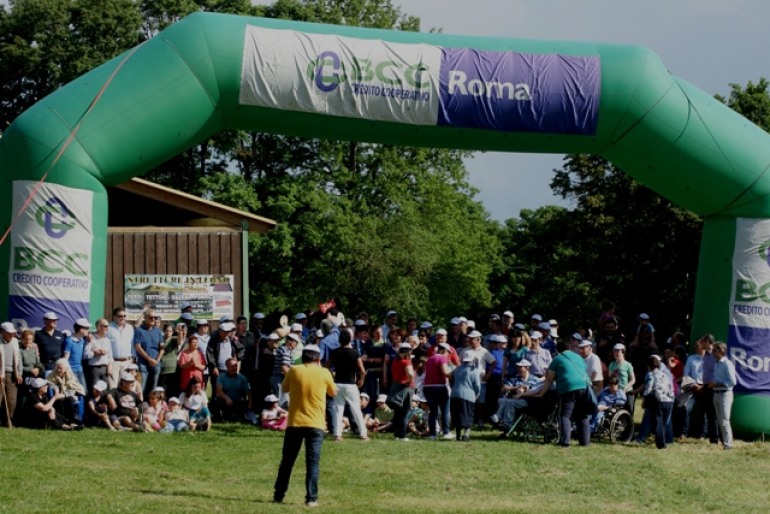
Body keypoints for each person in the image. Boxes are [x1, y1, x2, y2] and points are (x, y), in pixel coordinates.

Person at [273, 344, 337, 508]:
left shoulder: (294, 370)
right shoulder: (324, 372)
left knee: (287, 461)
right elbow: (333, 393)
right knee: (312, 463)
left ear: (303, 356)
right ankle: (311, 498)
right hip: (316, 424)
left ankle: (279, 495)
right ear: (318, 358)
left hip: (295, 422)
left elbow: (285, 388)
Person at [533, 339, 593, 447]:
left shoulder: (557, 359)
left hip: (568, 388)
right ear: (569, 348)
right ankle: (585, 442)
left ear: (557, 349)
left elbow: (549, 379)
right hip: (584, 387)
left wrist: (542, 393)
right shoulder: (578, 357)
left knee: (564, 416)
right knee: (582, 415)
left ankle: (564, 441)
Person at [329, 329, 368, 441]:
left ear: (339, 340)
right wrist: (361, 380)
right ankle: (363, 434)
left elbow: (326, 366)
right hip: (350, 384)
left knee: (338, 410)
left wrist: (332, 376)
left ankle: (337, 435)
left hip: (337, 383)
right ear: (350, 339)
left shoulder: (334, 352)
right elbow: (362, 370)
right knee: (356, 409)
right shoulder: (354, 352)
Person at [492, 358, 542, 435]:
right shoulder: (515, 379)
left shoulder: (535, 379)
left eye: (520, 367)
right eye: (518, 367)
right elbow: (504, 388)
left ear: (527, 368)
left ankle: (505, 423)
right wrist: (516, 387)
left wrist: (525, 390)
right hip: (516, 399)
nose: (518, 369)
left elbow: (537, 390)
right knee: (502, 400)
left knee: (509, 402)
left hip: (528, 401)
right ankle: (501, 421)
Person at [640, 355, 674, 449]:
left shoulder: (651, 374)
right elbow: (670, 388)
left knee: (658, 423)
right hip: (668, 400)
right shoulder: (665, 374)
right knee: (663, 423)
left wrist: (644, 399)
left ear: (649, 366)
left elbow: (648, 388)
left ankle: (661, 445)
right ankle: (664, 441)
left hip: (658, 401)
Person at [423, 342, 453, 440]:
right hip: (439, 387)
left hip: (427, 388)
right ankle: (446, 432)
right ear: (444, 350)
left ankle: (432, 434)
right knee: (445, 410)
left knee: (433, 412)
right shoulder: (442, 358)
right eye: (448, 352)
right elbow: (445, 372)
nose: (448, 355)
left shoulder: (430, 359)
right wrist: (453, 374)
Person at [709, 342, 736, 450]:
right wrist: (713, 384)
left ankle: (728, 446)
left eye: (715, 350)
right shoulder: (716, 364)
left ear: (722, 351)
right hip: (716, 393)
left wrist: (718, 384)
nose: (712, 353)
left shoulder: (727, 364)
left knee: (724, 421)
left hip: (725, 394)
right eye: (712, 351)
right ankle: (726, 443)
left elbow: (733, 381)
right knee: (720, 421)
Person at [450, 351, 481, 441]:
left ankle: (458, 435)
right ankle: (466, 435)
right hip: (468, 396)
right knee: (468, 416)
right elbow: (477, 386)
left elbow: (451, 380)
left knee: (457, 416)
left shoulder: (457, 369)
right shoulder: (474, 371)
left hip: (454, 395)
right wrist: (477, 394)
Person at [134, 310, 165, 399]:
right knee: (141, 387)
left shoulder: (158, 332)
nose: (153, 319)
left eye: (155, 318)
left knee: (154, 388)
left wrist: (157, 359)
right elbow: (137, 347)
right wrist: (148, 359)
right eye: (151, 317)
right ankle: (140, 406)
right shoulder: (139, 331)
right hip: (143, 363)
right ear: (145, 318)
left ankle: (152, 406)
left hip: (156, 362)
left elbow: (162, 348)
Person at [388, 342, 415, 441]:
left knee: (398, 413)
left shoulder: (395, 361)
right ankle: (402, 435)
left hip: (395, 387)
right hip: (405, 388)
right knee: (404, 413)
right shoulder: (406, 362)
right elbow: (411, 374)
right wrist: (410, 381)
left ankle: (397, 434)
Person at [47, 359, 85, 428]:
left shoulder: (70, 375)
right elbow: (48, 384)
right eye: (57, 367)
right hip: (56, 396)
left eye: (60, 368)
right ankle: (65, 422)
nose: (58, 370)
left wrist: (64, 394)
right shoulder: (51, 375)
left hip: (68, 395)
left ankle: (73, 422)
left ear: (66, 368)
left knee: (70, 400)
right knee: (61, 401)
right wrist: (56, 388)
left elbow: (74, 388)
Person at [214, 357, 251, 421]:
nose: (234, 368)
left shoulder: (242, 378)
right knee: (216, 401)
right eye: (232, 366)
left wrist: (250, 403)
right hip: (226, 401)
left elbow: (248, 392)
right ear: (227, 367)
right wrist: (226, 398)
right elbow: (218, 391)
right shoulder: (221, 377)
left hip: (238, 401)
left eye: (235, 365)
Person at [107, 306, 135, 389]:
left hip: (127, 362)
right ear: (114, 317)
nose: (122, 318)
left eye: (124, 316)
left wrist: (132, 360)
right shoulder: (108, 328)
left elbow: (132, 343)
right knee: (113, 387)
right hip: (114, 362)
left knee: (127, 387)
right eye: (120, 316)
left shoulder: (130, 328)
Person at [84, 319, 112, 392]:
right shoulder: (91, 339)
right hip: (94, 369)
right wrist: (95, 353)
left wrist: (110, 367)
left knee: (105, 391)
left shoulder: (107, 340)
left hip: (105, 369)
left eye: (108, 326)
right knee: (95, 391)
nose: (107, 328)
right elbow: (85, 355)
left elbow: (110, 356)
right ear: (98, 327)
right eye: (105, 326)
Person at [608, 343, 636, 414]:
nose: (616, 353)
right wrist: (613, 373)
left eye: (618, 351)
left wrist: (626, 388)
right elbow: (610, 378)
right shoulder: (612, 364)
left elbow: (633, 379)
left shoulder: (628, 365)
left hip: (627, 391)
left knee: (629, 410)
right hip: (616, 391)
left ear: (623, 352)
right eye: (615, 351)